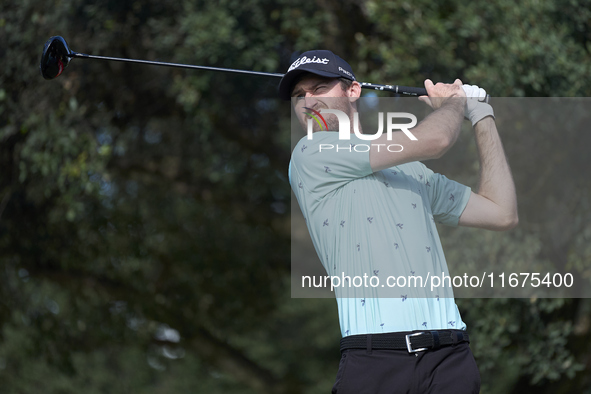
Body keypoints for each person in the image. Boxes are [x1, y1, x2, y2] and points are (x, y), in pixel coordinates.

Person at [280, 50, 518, 393]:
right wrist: (455, 103)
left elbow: (502, 212)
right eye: (298, 95)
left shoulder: (413, 172)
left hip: (450, 359)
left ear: (352, 91)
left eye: (318, 88)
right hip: (376, 361)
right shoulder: (310, 155)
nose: (307, 101)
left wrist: (482, 115)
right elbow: (436, 140)